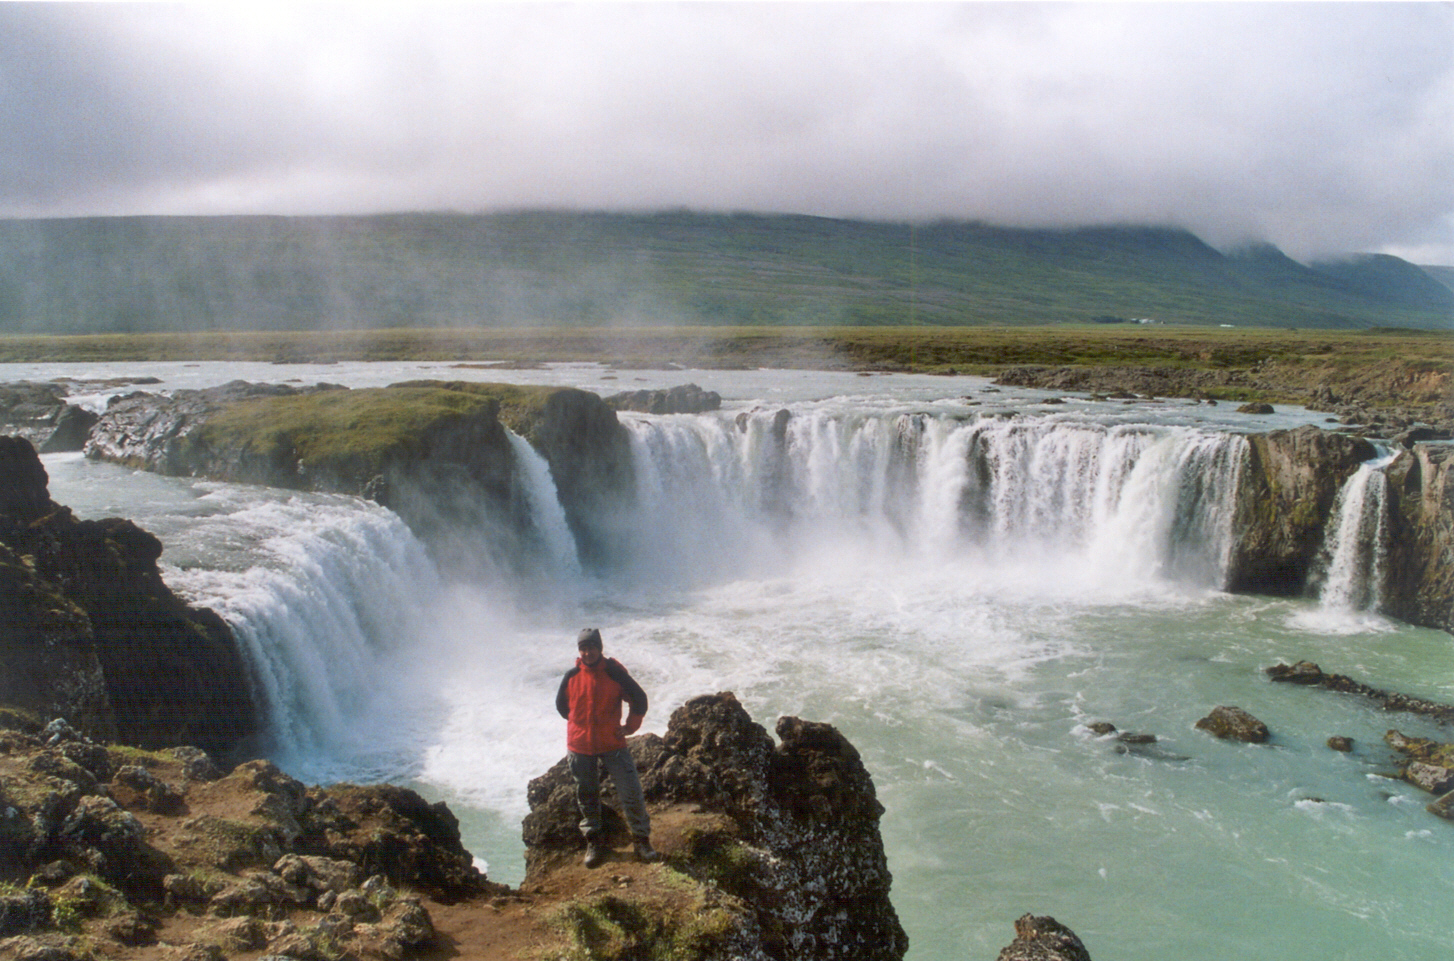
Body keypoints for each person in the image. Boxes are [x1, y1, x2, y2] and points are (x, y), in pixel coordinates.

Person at [556, 627, 658, 867]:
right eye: (583, 648)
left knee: (630, 791)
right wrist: (578, 727)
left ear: (600, 648)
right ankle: (594, 842)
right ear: (579, 651)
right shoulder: (571, 676)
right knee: (587, 795)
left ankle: (641, 840)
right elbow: (562, 707)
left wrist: (630, 727)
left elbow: (639, 699)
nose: (587, 652)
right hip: (580, 746)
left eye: (591, 647)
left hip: (612, 743)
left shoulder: (614, 672)